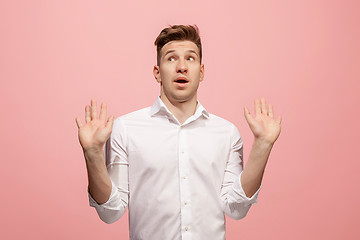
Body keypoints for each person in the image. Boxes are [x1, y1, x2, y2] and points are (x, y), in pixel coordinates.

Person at [75, 25, 281, 240]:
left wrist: (263, 145)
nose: (181, 67)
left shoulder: (227, 133)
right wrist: (92, 153)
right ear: (157, 72)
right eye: (171, 58)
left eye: (190, 58)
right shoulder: (126, 128)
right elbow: (110, 212)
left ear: (201, 72)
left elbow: (237, 208)